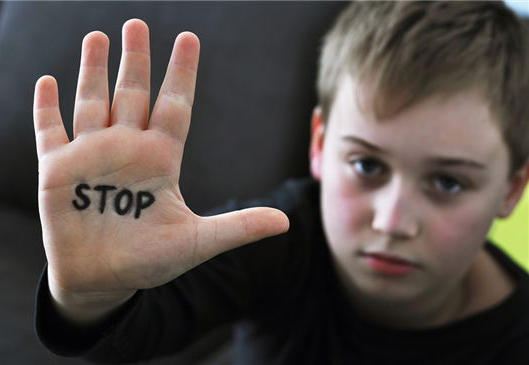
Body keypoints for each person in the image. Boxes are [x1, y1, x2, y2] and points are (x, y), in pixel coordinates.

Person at [34, 1, 529, 363]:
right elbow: (141, 327)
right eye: (367, 166)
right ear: (319, 145)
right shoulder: (283, 236)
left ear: (511, 190)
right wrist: (89, 296)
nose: (392, 222)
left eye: (447, 182)